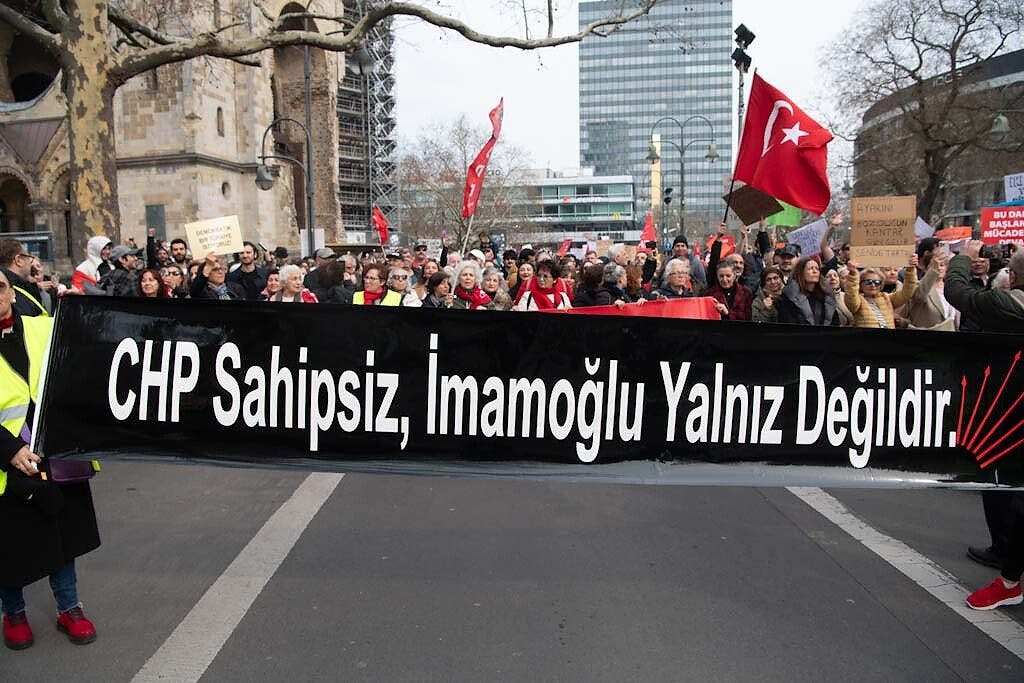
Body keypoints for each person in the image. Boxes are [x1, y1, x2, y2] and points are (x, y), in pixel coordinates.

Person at [0, 270, 99, 649]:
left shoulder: (42, 326)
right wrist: (10, 451)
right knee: (9, 545)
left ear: (12, 292)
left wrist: (85, 305)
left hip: (54, 452)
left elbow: (84, 358)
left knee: (62, 536)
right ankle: (14, 613)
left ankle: (69, 608)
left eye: (1, 287)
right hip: (5, 461)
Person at [945, 241, 1024, 610]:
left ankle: (1009, 578)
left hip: (1010, 416)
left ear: (1015, 276)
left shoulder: (1007, 305)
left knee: (1007, 487)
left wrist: (963, 255)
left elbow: (957, 292)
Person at [844, 254, 918, 329]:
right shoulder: (858, 300)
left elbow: (907, 292)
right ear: (861, 284)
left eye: (877, 282)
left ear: (881, 285)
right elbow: (851, 297)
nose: (873, 285)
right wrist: (853, 275)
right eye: (868, 282)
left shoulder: (887, 298)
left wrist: (910, 269)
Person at [902, 251, 956, 331]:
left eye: (942, 265)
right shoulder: (919, 286)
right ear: (926, 269)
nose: (939, 268)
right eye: (934, 265)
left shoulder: (952, 288)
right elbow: (919, 297)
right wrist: (933, 271)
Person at [777, 257, 837, 326]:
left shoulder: (827, 296)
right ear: (801, 272)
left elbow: (834, 321)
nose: (815, 271)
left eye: (817, 269)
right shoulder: (789, 296)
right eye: (810, 269)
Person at [0, 239, 50, 317]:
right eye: (28, 257)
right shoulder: (14, 296)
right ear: (19, 260)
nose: (30, 263)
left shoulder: (16, 288)